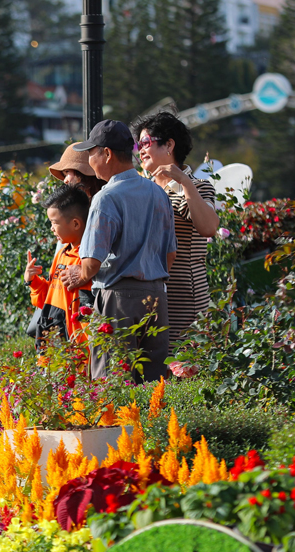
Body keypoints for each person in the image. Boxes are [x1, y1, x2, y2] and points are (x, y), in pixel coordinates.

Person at [60, 120, 176, 383]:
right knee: (153, 384)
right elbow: (170, 256)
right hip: (157, 296)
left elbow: (90, 264)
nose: (89, 160)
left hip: (119, 298)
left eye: (91, 153)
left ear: (107, 153)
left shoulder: (107, 196)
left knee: (113, 382)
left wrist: (78, 274)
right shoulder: (158, 193)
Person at [134, 112, 218, 351]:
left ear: (169, 144)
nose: (140, 150)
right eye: (137, 145)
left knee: (183, 371)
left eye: (146, 143)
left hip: (184, 299)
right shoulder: (142, 189)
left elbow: (209, 227)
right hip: (148, 297)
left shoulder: (199, 187)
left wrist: (185, 182)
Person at [25, 186, 94, 347]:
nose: (52, 228)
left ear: (76, 223)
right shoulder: (62, 254)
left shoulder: (87, 262)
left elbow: (85, 311)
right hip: (53, 348)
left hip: (74, 353)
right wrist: (32, 281)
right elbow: (48, 299)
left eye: (54, 223)